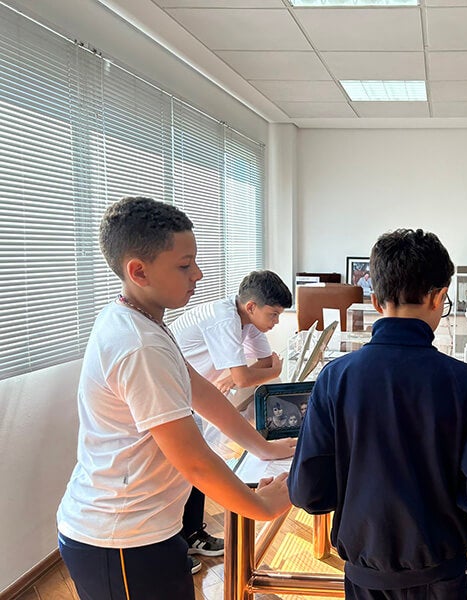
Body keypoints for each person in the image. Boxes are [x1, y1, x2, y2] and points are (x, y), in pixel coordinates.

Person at [56, 197, 293, 600]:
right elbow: (194, 461)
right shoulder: (139, 344)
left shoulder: (144, 320)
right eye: (184, 265)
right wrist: (261, 506)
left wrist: (262, 447)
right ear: (138, 271)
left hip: (147, 528)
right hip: (120, 537)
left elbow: (202, 392)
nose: (197, 274)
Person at [288, 228, 467, 599]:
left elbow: (308, 491)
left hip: (365, 571)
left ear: (376, 301)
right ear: (439, 297)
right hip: (441, 568)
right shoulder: (464, 381)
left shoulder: (335, 378)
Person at [170, 270, 294, 563]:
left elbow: (257, 367)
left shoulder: (249, 321)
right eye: (273, 315)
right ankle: (178, 545)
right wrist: (273, 371)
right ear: (251, 306)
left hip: (196, 393)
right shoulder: (224, 318)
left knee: (196, 464)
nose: (276, 322)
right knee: (184, 471)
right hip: (174, 394)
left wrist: (253, 373)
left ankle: (192, 534)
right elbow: (246, 376)